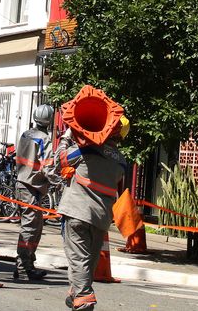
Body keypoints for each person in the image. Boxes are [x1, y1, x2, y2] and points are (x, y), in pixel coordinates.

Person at [58, 117, 129, 311]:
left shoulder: (87, 150)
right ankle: (75, 292)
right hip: (101, 217)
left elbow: (60, 159)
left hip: (77, 211)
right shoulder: (122, 161)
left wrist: (67, 136)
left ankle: (83, 296)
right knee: (89, 259)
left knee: (78, 256)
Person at [14, 104, 62, 280]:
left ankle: (27, 264)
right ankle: (23, 267)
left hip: (22, 184)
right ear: (50, 121)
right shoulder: (44, 139)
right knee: (30, 229)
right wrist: (59, 182)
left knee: (35, 227)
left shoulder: (26, 135)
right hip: (32, 187)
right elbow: (48, 167)